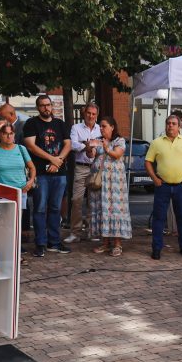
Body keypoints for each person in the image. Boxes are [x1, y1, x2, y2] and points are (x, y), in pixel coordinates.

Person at [22, 95, 72, 257]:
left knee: (56, 209)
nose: (46, 108)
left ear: (52, 106)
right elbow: (30, 145)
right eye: (42, 105)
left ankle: (54, 242)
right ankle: (40, 243)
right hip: (40, 173)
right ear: (38, 107)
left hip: (59, 173)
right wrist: (52, 159)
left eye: (48, 105)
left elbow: (68, 144)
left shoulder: (60, 124)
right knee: (40, 208)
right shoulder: (31, 123)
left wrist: (58, 161)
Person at [144, 114, 182, 260]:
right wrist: (154, 178)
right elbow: (148, 162)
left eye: (174, 123)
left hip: (181, 186)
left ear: (179, 126)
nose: (170, 126)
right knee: (159, 218)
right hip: (162, 186)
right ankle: (156, 249)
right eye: (168, 123)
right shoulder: (156, 142)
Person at [87, 117, 132, 257]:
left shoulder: (119, 141)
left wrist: (106, 147)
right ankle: (105, 243)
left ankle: (117, 244)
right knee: (102, 209)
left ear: (112, 127)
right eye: (100, 126)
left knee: (115, 209)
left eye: (104, 126)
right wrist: (89, 147)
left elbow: (117, 155)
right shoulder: (98, 140)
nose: (101, 128)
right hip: (100, 182)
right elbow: (91, 155)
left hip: (115, 184)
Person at [66, 102, 102, 244]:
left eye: (93, 114)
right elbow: (73, 144)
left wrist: (90, 145)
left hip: (96, 167)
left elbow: (102, 144)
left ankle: (91, 231)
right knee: (76, 200)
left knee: (94, 201)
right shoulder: (76, 127)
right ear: (84, 113)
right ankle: (75, 232)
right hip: (81, 167)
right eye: (88, 113)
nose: (91, 116)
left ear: (96, 115)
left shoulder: (100, 129)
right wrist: (86, 146)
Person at [0, 120, 36, 195]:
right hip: (1, 191)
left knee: (21, 207)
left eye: (11, 133)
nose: (9, 136)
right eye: (5, 133)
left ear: (14, 134)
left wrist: (31, 181)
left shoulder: (21, 148)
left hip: (21, 191)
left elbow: (32, 167)